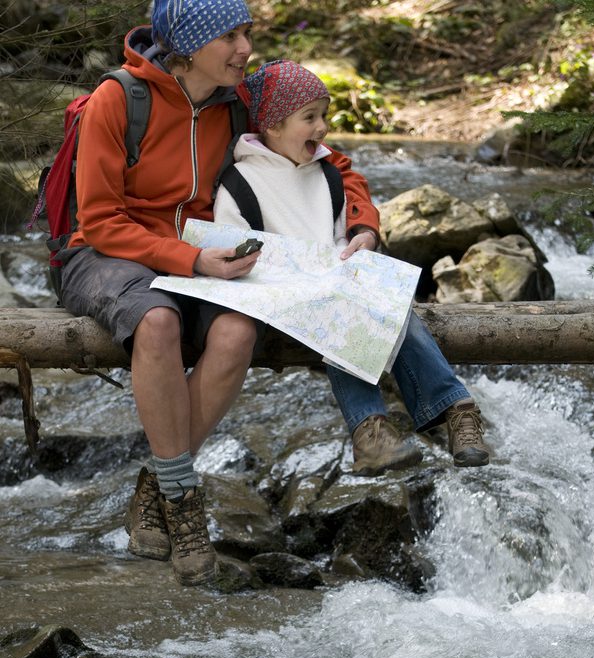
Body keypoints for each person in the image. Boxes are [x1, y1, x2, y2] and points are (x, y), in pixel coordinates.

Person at [56, 1, 383, 586]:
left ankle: (158, 481)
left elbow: (330, 164)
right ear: (190, 44)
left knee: (236, 332)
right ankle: (184, 508)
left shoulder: (238, 102)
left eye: (247, 34)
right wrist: (191, 259)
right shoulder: (118, 98)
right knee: (157, 322)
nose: (245, 49)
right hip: (106, 255)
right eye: (230, 36)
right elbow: (102, 220)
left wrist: (363, 222)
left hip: (203, 253)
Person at [213, 60, 490, 476]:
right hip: (277, 293)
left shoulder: (327, 173)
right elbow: (230, 247)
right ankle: (375, 427)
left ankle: (454, 412)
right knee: (341, 306)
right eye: (310, 118)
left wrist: (361, 242)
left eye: (324, 115)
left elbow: (346, 230)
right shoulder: (239, 183)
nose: (323, 127)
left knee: (389, 306)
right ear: (271, 125)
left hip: (337, 283)